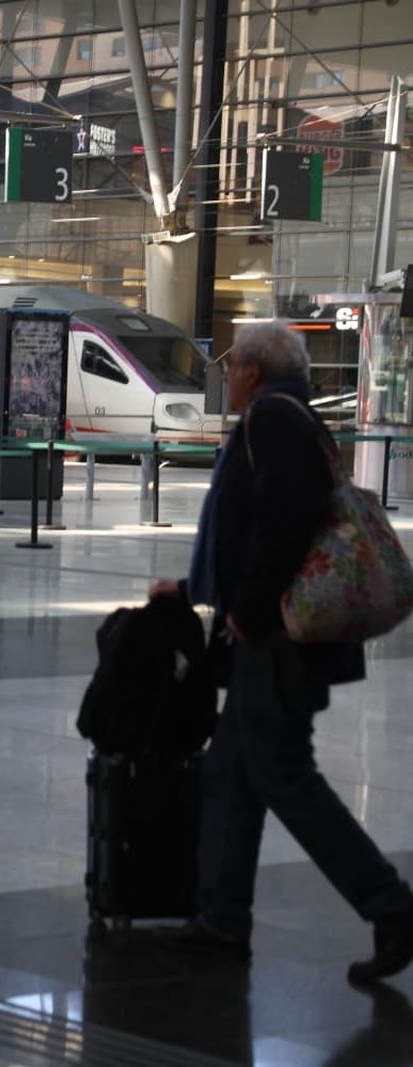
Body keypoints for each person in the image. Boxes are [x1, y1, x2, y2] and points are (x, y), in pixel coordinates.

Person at [150, 322, 413, 983]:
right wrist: (195, 588)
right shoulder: (285, 416)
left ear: (253, 372)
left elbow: (286, 523)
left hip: (279, 639)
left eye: (232, 362)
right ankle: (221, 920)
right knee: (232, 773)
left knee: (284, 776)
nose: (227, 373)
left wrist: (245, 612)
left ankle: (393, 906)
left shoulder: (272, 418)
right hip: (272, 633)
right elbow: (252, 533)